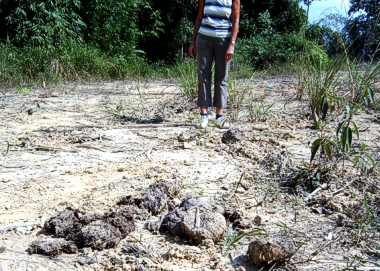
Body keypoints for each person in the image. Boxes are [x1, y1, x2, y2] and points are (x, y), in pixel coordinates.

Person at [189, 0, 240, 128]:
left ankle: (219, 116)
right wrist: (193, 41)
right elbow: (199, 16)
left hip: (224, 40)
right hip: (203, 38)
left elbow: (236, 19)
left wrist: (232, 44)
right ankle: (204, 115)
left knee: (222, 77)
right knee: (203, 76)